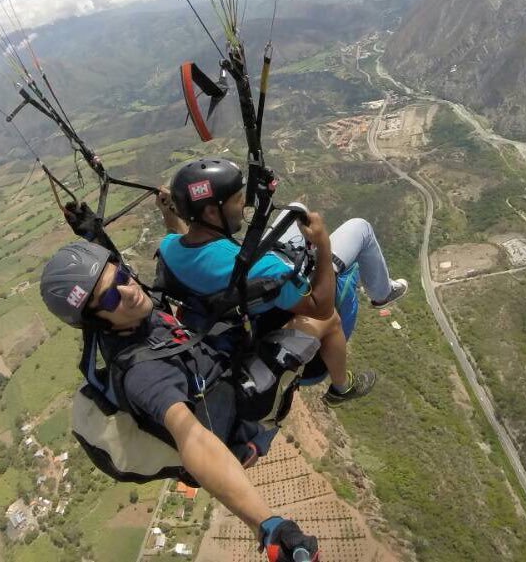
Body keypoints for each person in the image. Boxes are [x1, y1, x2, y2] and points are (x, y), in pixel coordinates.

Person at [40, 241, 319, 562]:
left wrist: (91, 232)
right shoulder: (145, 374)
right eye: (112, 296)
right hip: (237, 416)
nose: (128, 290)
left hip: (209, 364)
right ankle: (337, 385)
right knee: (317, 320)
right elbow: (193, 438)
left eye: (123, 277)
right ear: (97, 321)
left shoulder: (128, 317)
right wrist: (266, 525)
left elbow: (116, 286)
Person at [157, 156, 408, 406]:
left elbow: (175, 235)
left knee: (296, 208)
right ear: (211, 211)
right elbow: (320, 308)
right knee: (359, 228)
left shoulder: (169, 249)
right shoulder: (264, 269)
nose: (243, 203)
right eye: (236, 200)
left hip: (236, 300)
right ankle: (344, 382)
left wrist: (170, 211)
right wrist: (322, 243)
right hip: (267, 305)